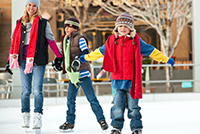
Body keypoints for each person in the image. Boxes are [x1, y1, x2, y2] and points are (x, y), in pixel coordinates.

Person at [80, 13, 175, 134]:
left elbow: (152, 51)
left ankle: (136, 127)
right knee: (117, 106)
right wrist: (86, 57)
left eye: (126, 26)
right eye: (120, 26)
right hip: (117, 79)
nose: (123, 28)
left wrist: (166, 59)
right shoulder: (112, 42)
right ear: (116, 28)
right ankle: (116, 127)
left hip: (132, 80)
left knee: (133, 107)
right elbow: (99, 52)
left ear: (130, 28)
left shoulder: (136, 41)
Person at [5, 0, 62, 132]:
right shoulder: (19, 23)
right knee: (25, 91)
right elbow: (14, 43)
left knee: (37, 90)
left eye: (34, 5)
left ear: (37, 8)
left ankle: (37, 116)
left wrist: (59, 57)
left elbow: (51, 40)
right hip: (23, 60)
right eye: (29, 5)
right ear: (26, 6)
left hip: (38, 61)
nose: (31, 7)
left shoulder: (43, 23)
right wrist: (9, 60)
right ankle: (25, 115)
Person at [56, 17, 108, 132]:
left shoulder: (80, 39)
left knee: (92, 99)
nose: (66, 29)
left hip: (83, 74)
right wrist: (58, 60)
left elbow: (85, 52)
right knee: (70, 100)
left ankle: (102, 120)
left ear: (75, 28)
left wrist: (79, 59)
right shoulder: (65, 40)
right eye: (65, 26)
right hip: (73, 75)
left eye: (69, 27)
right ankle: (70, 122)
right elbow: (63, 54)